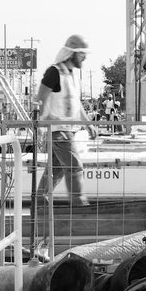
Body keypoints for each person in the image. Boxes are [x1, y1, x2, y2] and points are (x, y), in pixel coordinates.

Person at [34, 34, 97, 207]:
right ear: (72, 53)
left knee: (57, 169)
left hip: (67, 130)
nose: (84, 57)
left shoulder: (71, 74)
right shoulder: (54, 72)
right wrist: (43, 121)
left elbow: (77, 104)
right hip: (59, 131)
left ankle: (39, 200)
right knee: (74, 167)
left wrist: (88, 123)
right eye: (82, 53)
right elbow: (40, 99)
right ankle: (79, 204)